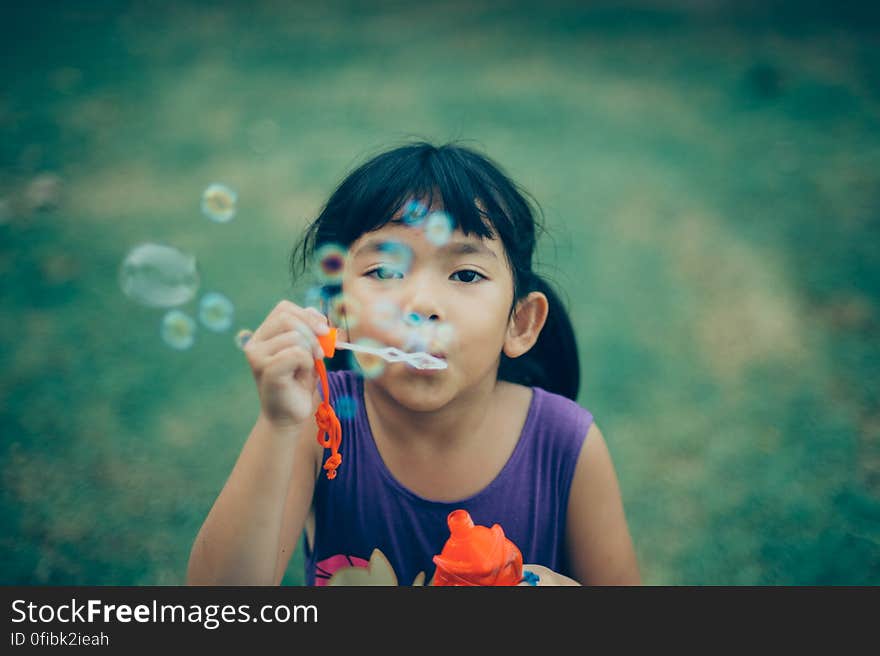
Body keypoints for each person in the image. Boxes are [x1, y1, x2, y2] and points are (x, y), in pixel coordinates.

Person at [186, 141, 640, 586]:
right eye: (384, 271)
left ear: (520, 323)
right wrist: (279, 424)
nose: (421, 303)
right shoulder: (318, 424)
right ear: (339, 313)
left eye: (466, 274)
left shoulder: (566, 445)